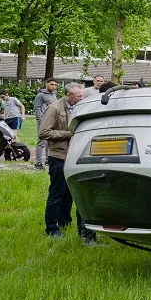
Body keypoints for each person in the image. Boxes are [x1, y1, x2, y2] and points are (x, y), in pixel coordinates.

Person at [39, 82, 97, 243]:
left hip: (74, 156)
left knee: (69, 194)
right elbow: (43, 132)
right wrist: (68, 134)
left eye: (82, 96)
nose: (81, 98)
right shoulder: (54, 108)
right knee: (56, 193)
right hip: (58, 156)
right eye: (78, 96)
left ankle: (64, 222)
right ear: (68, 95)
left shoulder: (79, 107)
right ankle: (51, 228)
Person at [33, 78, 58, 170]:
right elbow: (37, 108)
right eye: (52, 84)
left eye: (55, 85)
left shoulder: (54, 95)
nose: (54, 86)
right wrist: (41, 121)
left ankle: (48, 160)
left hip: (52, 121)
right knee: (41, 142)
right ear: (46, 84)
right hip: (43, 122)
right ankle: (38, 163)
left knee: (50, 142)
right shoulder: (40, 95)